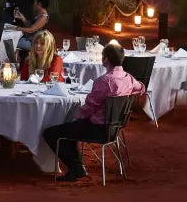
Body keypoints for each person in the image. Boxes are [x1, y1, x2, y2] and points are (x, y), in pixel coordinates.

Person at [41, 42, 144, 181]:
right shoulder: (129, 78)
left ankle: (76, 168)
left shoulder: (104, 81)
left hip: (97, 129)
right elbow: (142, 88)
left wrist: (75, 116)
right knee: (72, 128)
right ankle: (77, 168)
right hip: (115, 128)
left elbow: (90, 107)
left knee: (51, 133)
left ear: (105, 59)